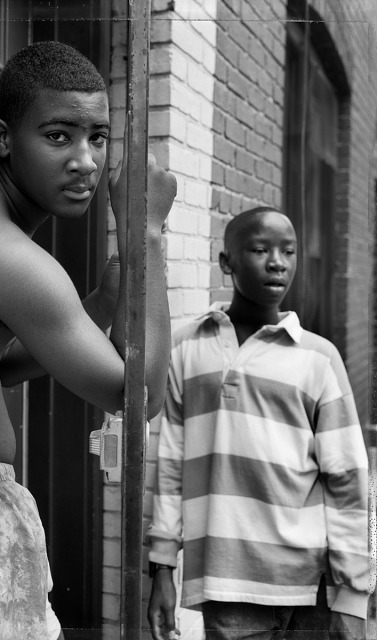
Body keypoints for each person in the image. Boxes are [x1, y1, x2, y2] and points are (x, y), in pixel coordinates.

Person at [0, 41, 177, 640]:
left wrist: (104, 303)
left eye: (97, 137)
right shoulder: (6, 254)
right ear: (4, 138)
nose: (85, 160)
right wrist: (149, 234)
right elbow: (141, 399)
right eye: (58, 136)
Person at [146, 207, 369, 640]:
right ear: (226, 261)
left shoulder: (319, 358)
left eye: (288, 251)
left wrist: (353, 595)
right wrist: (162, 567)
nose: (277, 262)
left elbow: (348, 479)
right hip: (228, 584)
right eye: (260, 249)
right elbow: (169, 466)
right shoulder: (187, 349)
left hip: (314, 585)